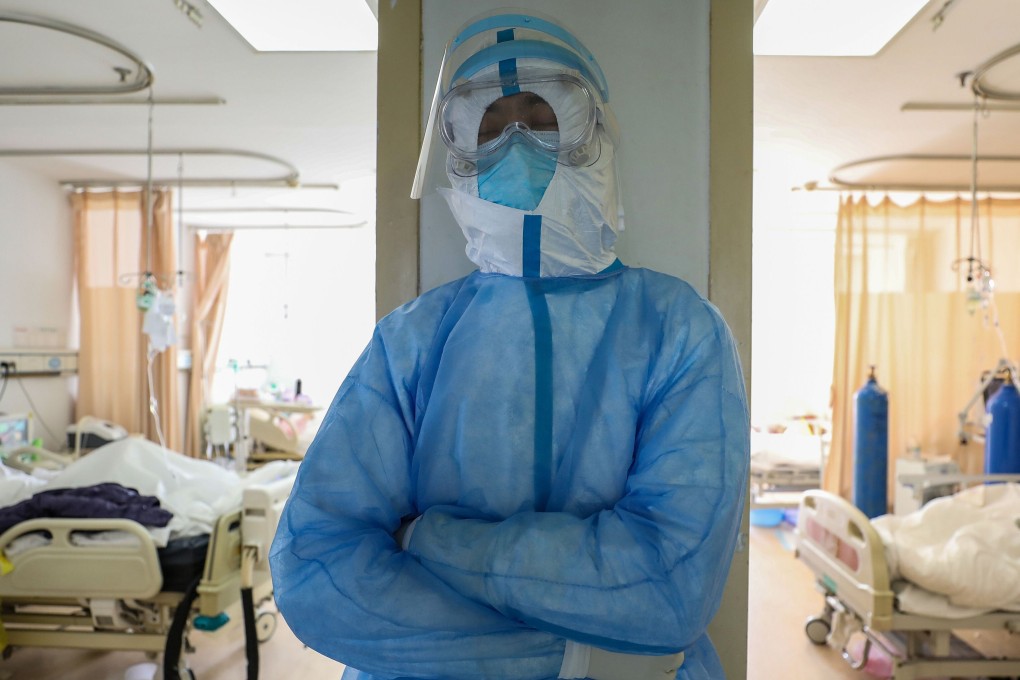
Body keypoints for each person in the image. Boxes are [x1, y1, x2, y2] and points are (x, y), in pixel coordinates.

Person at [270, 11, 749, 680]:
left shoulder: (677, 329)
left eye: (543, 117)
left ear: (592, 132)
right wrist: (575, 657)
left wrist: (423, 538)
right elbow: (316, 570)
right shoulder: (411, 340)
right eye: (492, 127)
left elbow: (668, 586)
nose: (518, 145)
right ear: (461, 149)